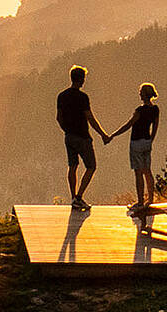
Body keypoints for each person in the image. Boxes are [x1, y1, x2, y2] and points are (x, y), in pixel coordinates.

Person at [56, 65, 109, 210]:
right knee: (91, 166)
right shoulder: (82, 97)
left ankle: (73, 197)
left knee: (72, 166)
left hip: (69, 136)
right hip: (82, 137)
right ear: (81, 79)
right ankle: (79, 197)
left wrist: (66, 130)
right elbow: (90, 118)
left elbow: (58, 117)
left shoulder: (62, 96)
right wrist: (103, 135)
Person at [105, 83, 161, 214]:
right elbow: (155, 126)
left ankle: (140, 202)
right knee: (147, 170)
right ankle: (151, 199)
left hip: (136, 143)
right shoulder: (155, 109)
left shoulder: (140, 111)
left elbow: (128, 125)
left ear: (144, 94)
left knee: (138, 172)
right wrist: (151, 140)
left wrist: (112, 135)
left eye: (141, 92)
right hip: (147, 142)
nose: (139, 94)